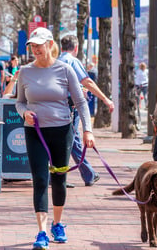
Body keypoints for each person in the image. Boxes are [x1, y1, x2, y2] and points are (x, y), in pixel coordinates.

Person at [16, 27, 94, 249]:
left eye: (40, 44)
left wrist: (87, 130)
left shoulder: (65, 69)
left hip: (62, 130)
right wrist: (24, 113)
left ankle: (57, 224)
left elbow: (80, 103)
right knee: (40, 179)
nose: (36, 49)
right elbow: (19, 101)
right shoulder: (25, 72)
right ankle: (41, 232)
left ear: (50, 44)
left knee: (59, 178)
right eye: (33, 45)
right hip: (35, 131)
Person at [58, 35, 114, 187]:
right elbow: (87, 81)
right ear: (76, 48)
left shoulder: (56, 61)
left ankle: (88, 173)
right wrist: (105, 99)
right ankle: (59, 176)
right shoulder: (72, 61)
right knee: (68, 140)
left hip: (57, 106)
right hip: (70, 107)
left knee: (72, 139)